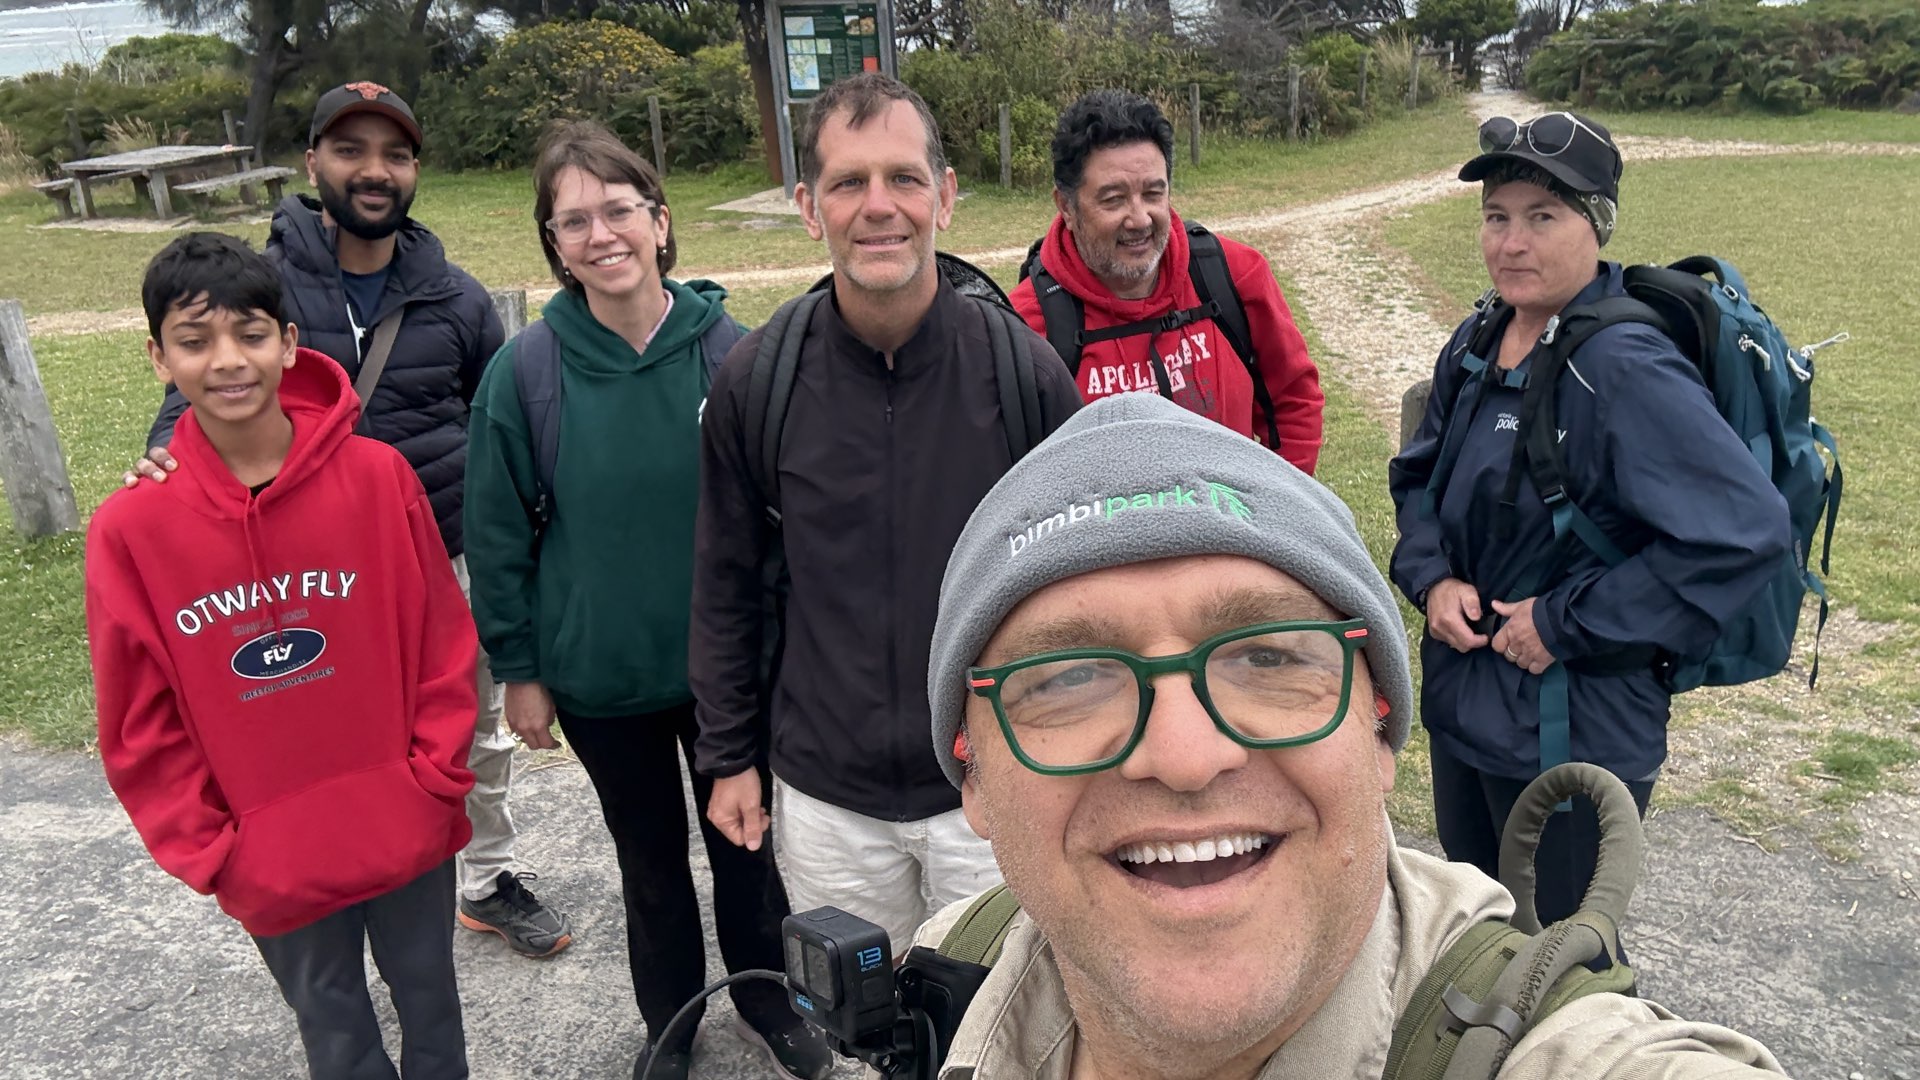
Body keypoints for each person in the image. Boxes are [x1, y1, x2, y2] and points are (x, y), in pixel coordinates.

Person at [914, 390, 1786, 1079]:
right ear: (972, 774)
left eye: (1267, 657)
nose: (1184, 757)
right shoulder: (950, 963)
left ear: (1379, 729)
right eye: (1067, 679)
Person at [129, 81, 571, 958]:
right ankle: (335, 885)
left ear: (414, 171)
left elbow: (497, 419)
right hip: (312, 569)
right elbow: (203, 388)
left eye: (394, 155)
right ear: (312, 164)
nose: (374, 171)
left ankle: (483, 878)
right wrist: (161, 459)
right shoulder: (264, 286)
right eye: (350, 150)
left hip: (441, 553)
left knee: (469, 729)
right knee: (322, 733)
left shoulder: (456, 296)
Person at [462, 121, 830, 1080]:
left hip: (730, 677)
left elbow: (785, 522)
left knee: (749, 852)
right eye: (574, 221)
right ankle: (670, 1021)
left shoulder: (734, 355)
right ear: (554, 244)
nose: (601, 235)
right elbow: (496, 538)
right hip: (602, 678)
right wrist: (519, 670)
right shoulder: (525, 374)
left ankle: (767, 1000)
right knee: (650, 864)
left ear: (660, 223)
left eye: (618, 210)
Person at [690, 73, 1082, 956]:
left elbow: (1074, 591)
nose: (878, 206)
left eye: (903, 177)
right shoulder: (757, 382)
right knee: (860, 1018)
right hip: (829, 802)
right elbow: (724, 584)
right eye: (848, 182)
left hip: (991, 785)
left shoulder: (1025, 376)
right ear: (808, 206)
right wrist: (727, 757)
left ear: (944, 195)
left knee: (997, 1009)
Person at [89, 232, 479, 1079]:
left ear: (290, 342)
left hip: (404, 818)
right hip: (269, 854)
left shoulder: (378, 478)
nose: (228, 360)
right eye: (195, 341)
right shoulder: (132, 529)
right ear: (159, 358)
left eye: (251, 333)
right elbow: (137, 718)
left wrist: (434, 776)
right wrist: (214, 847)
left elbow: (442, 641)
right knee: (334, 1034)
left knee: (433, 1011)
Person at [1387, 112, 1791, 924]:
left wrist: (1563, 623)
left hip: (1575, 734)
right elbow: (1421, 474)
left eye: (1543, 217)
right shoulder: (1481, 336)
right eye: (1497, 217)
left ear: (1597, 223)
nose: (1512, 243)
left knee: (1565, 955)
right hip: (1469, 709)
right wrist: (1430, 579)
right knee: (1482, 932)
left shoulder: (1624, 365)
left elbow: (1745, 531)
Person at [1009, 89, 1324, 474]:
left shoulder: (1233, 277)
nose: (1140, 219)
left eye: (1153, 194)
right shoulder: (1026, 328)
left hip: (1229, 513)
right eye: (1114, 199)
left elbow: (1295, 400)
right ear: (1067, 207)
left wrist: (1272, 502)